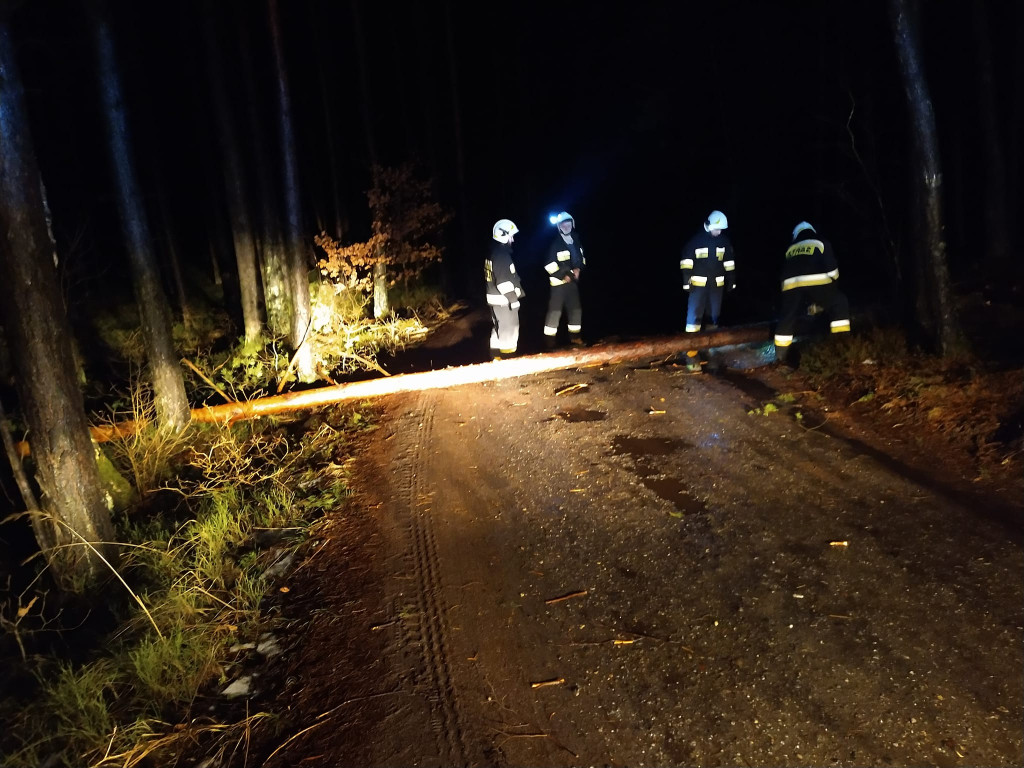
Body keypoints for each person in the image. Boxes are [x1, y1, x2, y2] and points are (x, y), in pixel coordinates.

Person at [774, 221, 851, 367]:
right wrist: (831, 289)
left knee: (787, 317)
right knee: (839, 301)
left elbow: (784, 271)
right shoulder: (821, 242)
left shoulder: (790, 248)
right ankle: (841, 345)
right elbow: (833, 272)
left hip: (789, 285)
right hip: (817, 283)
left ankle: (780, 358)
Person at [679, 210, 736, 371]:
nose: (719, 232)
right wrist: (686, 281)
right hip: (698, 286)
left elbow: (729, 262)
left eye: (721, 229)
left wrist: (731, 279)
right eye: (717, 229)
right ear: (709, 225)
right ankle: (690, 353)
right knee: (694, 320)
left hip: (716, 286)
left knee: (713, 318)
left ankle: (709, 348)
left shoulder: (724, 241)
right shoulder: (696, 241)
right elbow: (686, 261)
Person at [542, 211, 586, 348]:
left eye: (568, 223)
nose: (566, 226)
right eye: (563, 224)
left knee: (575, 310)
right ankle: (549, 344)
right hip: (558, 285)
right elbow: (549, 265)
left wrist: (579, 268)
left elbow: (582, 259)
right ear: (559, 227)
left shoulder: (576, 241)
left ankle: (575, 339)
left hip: (572, 283)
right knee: (555, 312)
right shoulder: (555, 244)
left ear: (572, 224)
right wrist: (563, 275)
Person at [485, 218, 524, 359]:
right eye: (511, 236)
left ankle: (496, 359)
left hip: (497, 302)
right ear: (503, 235)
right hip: (504, 302)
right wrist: (513, 300)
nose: (513, 239)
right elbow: (503, 282)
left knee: (499, 330)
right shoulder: (501, 255)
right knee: (509, 331)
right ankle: (508, 361)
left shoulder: (494, 253)